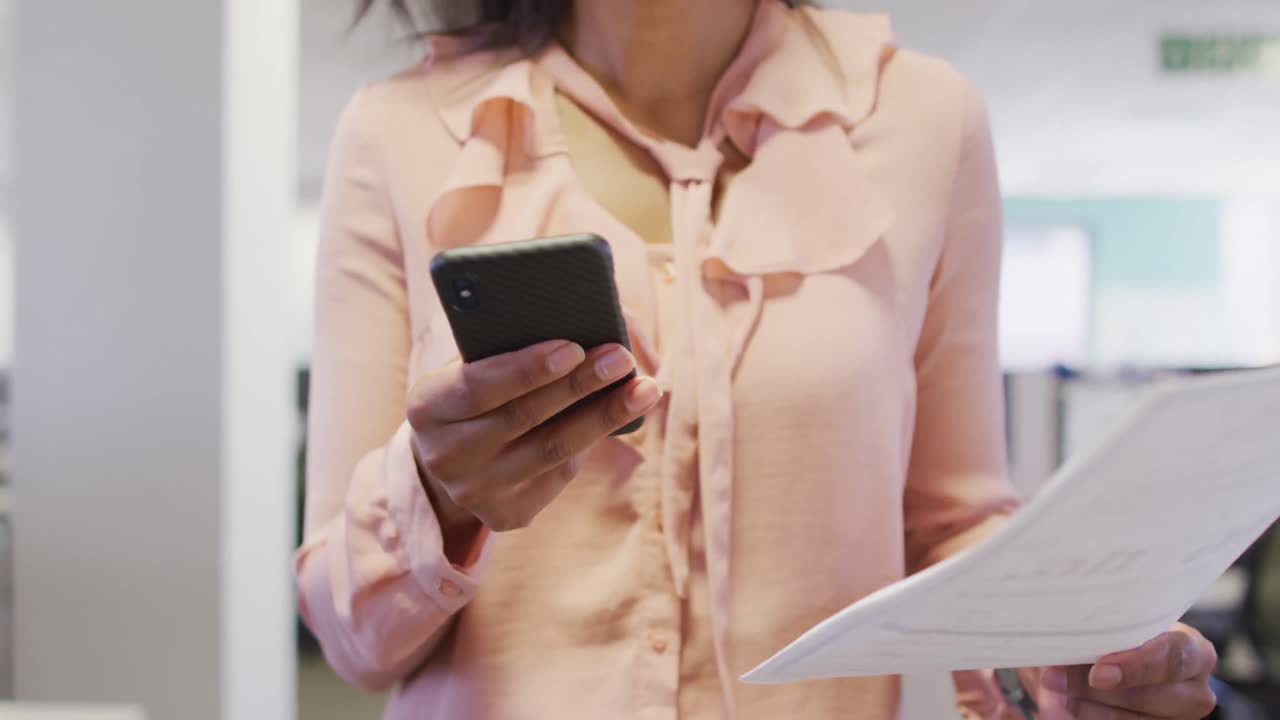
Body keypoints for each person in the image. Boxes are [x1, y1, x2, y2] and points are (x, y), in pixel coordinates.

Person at [294, 0, 1221, 718]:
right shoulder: (398, 134)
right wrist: (441, 495)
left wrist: (1071, 658)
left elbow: (952, 524)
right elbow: (353, 637)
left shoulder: (929, 124)